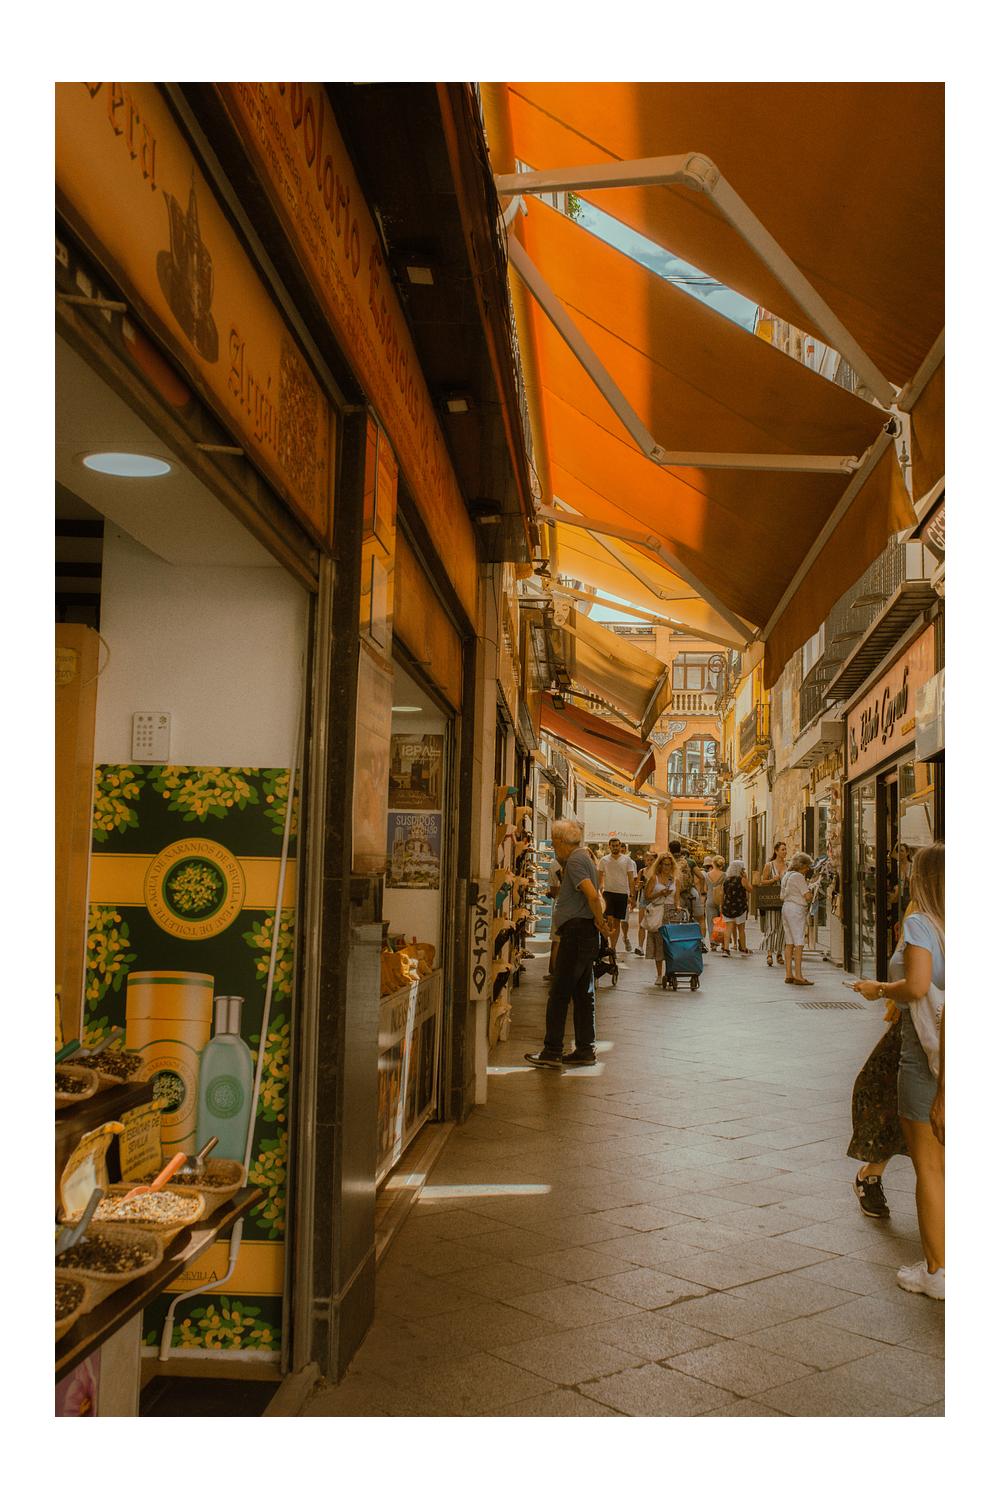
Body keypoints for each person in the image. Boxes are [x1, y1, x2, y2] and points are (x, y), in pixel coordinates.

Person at [853, 842, 945, 1298]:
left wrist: (880, 988)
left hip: (927, 1054)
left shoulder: (921, 923)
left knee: (931, 1168)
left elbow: (918, 985)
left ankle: (938, 1271)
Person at [525, 818, 611, 1070]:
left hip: (576, 934)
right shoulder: (583, 858)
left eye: (554, 844)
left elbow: (592, 894)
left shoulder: (575, 860)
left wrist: (601, 922)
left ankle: (552, 1051)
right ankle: (585, 1049)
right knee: (583, 994)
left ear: (562, 842)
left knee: (559, 993)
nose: (553, 849)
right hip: (583, 933)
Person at [780, 853, 819, 984]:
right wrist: (812, 892)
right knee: (799, 942)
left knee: (789, 942)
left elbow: (782, 895)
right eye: (807, 866)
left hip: (786, 907)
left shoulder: (787, 875)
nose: (807, 869)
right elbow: (807, 896)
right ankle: (798, 975)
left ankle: (788, 974)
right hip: (796, 909)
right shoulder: (798, 876)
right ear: (802, 865)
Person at [597, 836, 637, 959]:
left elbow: (631, 878)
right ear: (609, 847)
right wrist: (599, 892)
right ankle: (607, 945)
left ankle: (613, 948)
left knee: (617, 922)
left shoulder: (627, 860)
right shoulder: (604, 860)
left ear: (620, 846)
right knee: (608, 920)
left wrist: (632, 896)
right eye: (613, 846)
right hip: (608, 893)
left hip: (622, 894)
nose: (615, 847)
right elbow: (599, 877)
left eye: (617, 845)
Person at [642, 852, 676, 987]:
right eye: (665, 864)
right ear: (660, 865)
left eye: (669, 864)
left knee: (670, 944)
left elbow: (677, 898)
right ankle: (659, 974)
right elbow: (647, 896)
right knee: (658, 943)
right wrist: (660, 893)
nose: (667, 867)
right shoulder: (654, 878)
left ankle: (670, 972)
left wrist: (678, 907)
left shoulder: (675, 879)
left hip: (671, 912)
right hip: (658, 912)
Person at [757, 840, 788, 968]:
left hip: (785, 900)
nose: (785, 852)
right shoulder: (769, 865)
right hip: (772, 900)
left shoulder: (788, 865)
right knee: (771, 927)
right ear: (776, 851)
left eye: (785, 849)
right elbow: (761, 881)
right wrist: (772, 880)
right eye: (782, 849)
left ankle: (779, 953)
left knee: (783, 928)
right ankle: (769, 953)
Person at [720, 859, 750, 955]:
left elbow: (722, 894)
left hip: (728, 906)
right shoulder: (742, 880)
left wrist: (721, 905)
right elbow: (750, 889)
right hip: (740, 907)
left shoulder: (726, 880)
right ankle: (743, 948)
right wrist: (746, 878)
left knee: (728, 928)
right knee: (741, 929)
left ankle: (726, 949)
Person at [618, 844, 640, 952]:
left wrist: (633, 897)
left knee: (624, 920)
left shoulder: (631, 862)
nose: (621, 851)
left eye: (623, 850)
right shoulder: (609, 861)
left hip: (626, 893)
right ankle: (612, 945)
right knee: (613, 921)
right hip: (613, 893)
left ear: (626, 850)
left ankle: (625, 937)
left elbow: (634, 880)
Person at [705, 855, 727, 950]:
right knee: (722, 922)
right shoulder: (724, 875)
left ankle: (713, 943)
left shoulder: (707, 875)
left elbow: (705, 889)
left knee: (711, 922)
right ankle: (723, 943)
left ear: (713, 864)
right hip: (721, 900)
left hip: (710, 900)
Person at [668, 840, 694, 916]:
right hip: (684, 893)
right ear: (680, 849)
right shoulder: (684, 861)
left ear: (669, 849)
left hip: (671, 893)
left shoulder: (667, 861)